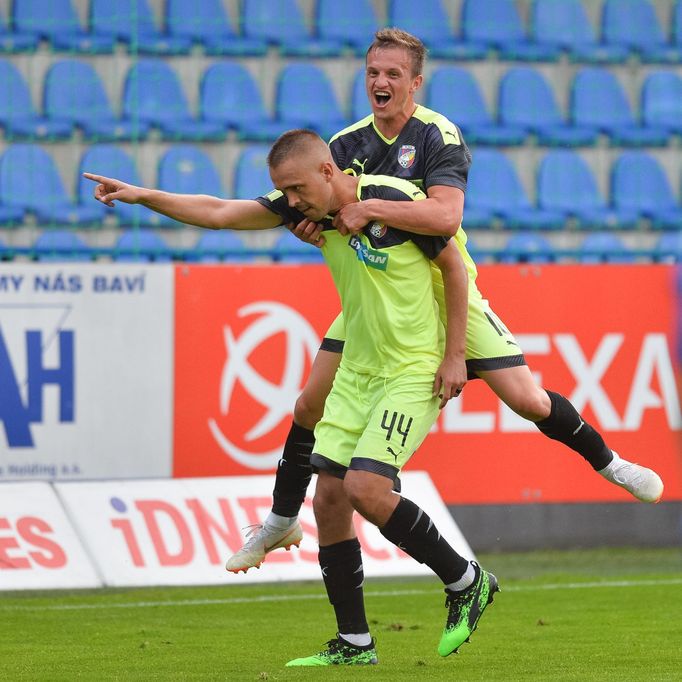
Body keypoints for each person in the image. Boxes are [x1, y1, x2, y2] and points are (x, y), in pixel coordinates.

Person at [84, 27, 664, 566]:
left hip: (440, 287)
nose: (380, 83)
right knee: (309, 403)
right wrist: (142, 195)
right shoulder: (342, 147)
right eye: (372, 73)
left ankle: (611, 464)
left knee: (528, 400)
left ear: (415, 83)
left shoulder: (437, 135)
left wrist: (368, 209)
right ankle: (282, 519)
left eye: (392, 74)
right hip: (376, 296)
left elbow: (447, 213)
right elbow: (224, 211)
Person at [264, 129, 498, 665]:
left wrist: (455, 354)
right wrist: (144, 197)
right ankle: (354, 643)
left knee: (366, 487)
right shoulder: (316, 218)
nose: (291, 202)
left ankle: (467, 580)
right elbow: (222, 212)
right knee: (327, 499)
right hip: (360, 371)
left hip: (412, 370)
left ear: (327, 171)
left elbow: (454, 269)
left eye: (296, 188)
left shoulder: (395, 199)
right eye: (284, 193)